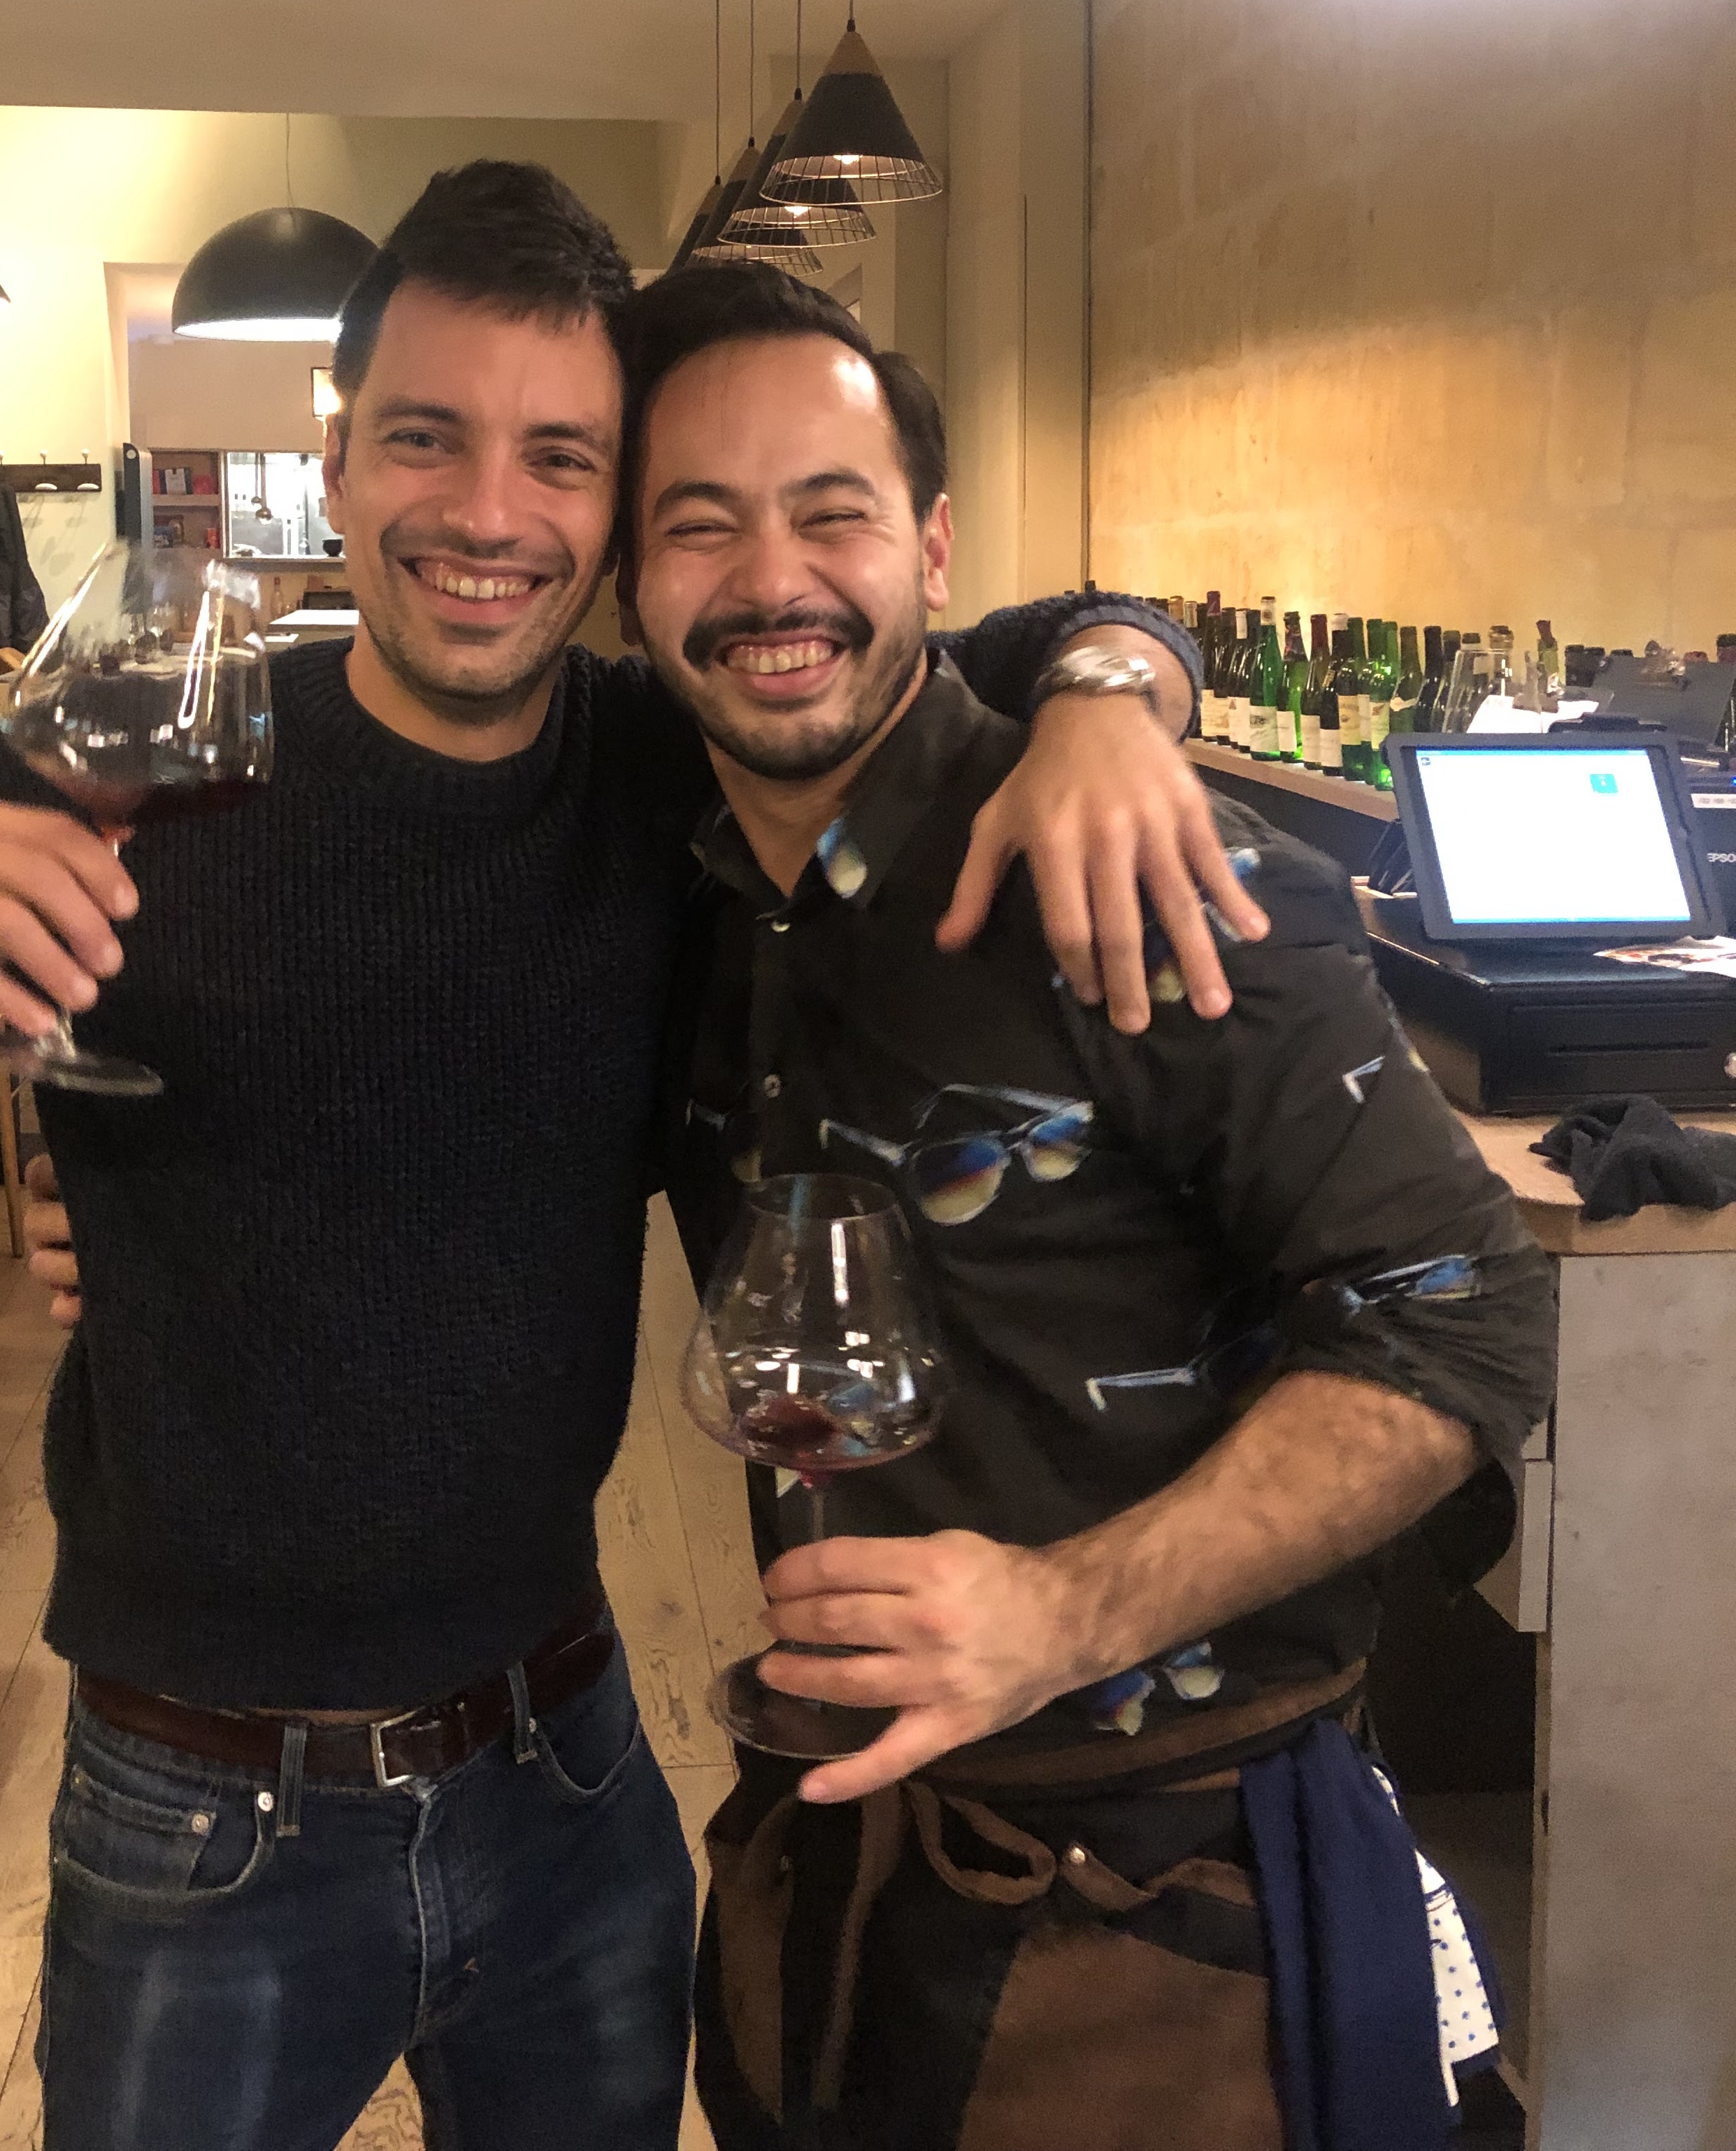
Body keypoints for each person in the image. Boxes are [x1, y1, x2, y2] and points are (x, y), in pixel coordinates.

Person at [0, 164, 1243, 2151]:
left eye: (560, 458)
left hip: (567, 1764)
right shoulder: (153, 747)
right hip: (196, 1804)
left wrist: (1109, 704)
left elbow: (1038, 621)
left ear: (616, 513)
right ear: (333, 455)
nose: (488, 514)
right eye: (424, 438)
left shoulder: (658, 768)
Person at [618, 258, 1558, 2151]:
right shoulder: (694, 881)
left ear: (933, 546)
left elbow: (1468, 1315)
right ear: (627, 584)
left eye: (832, 513)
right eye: (698, 525)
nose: (773, 580)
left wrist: (1060, 1614)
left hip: (1170, 1905)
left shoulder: (1144, 876)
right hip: (849, 1847)